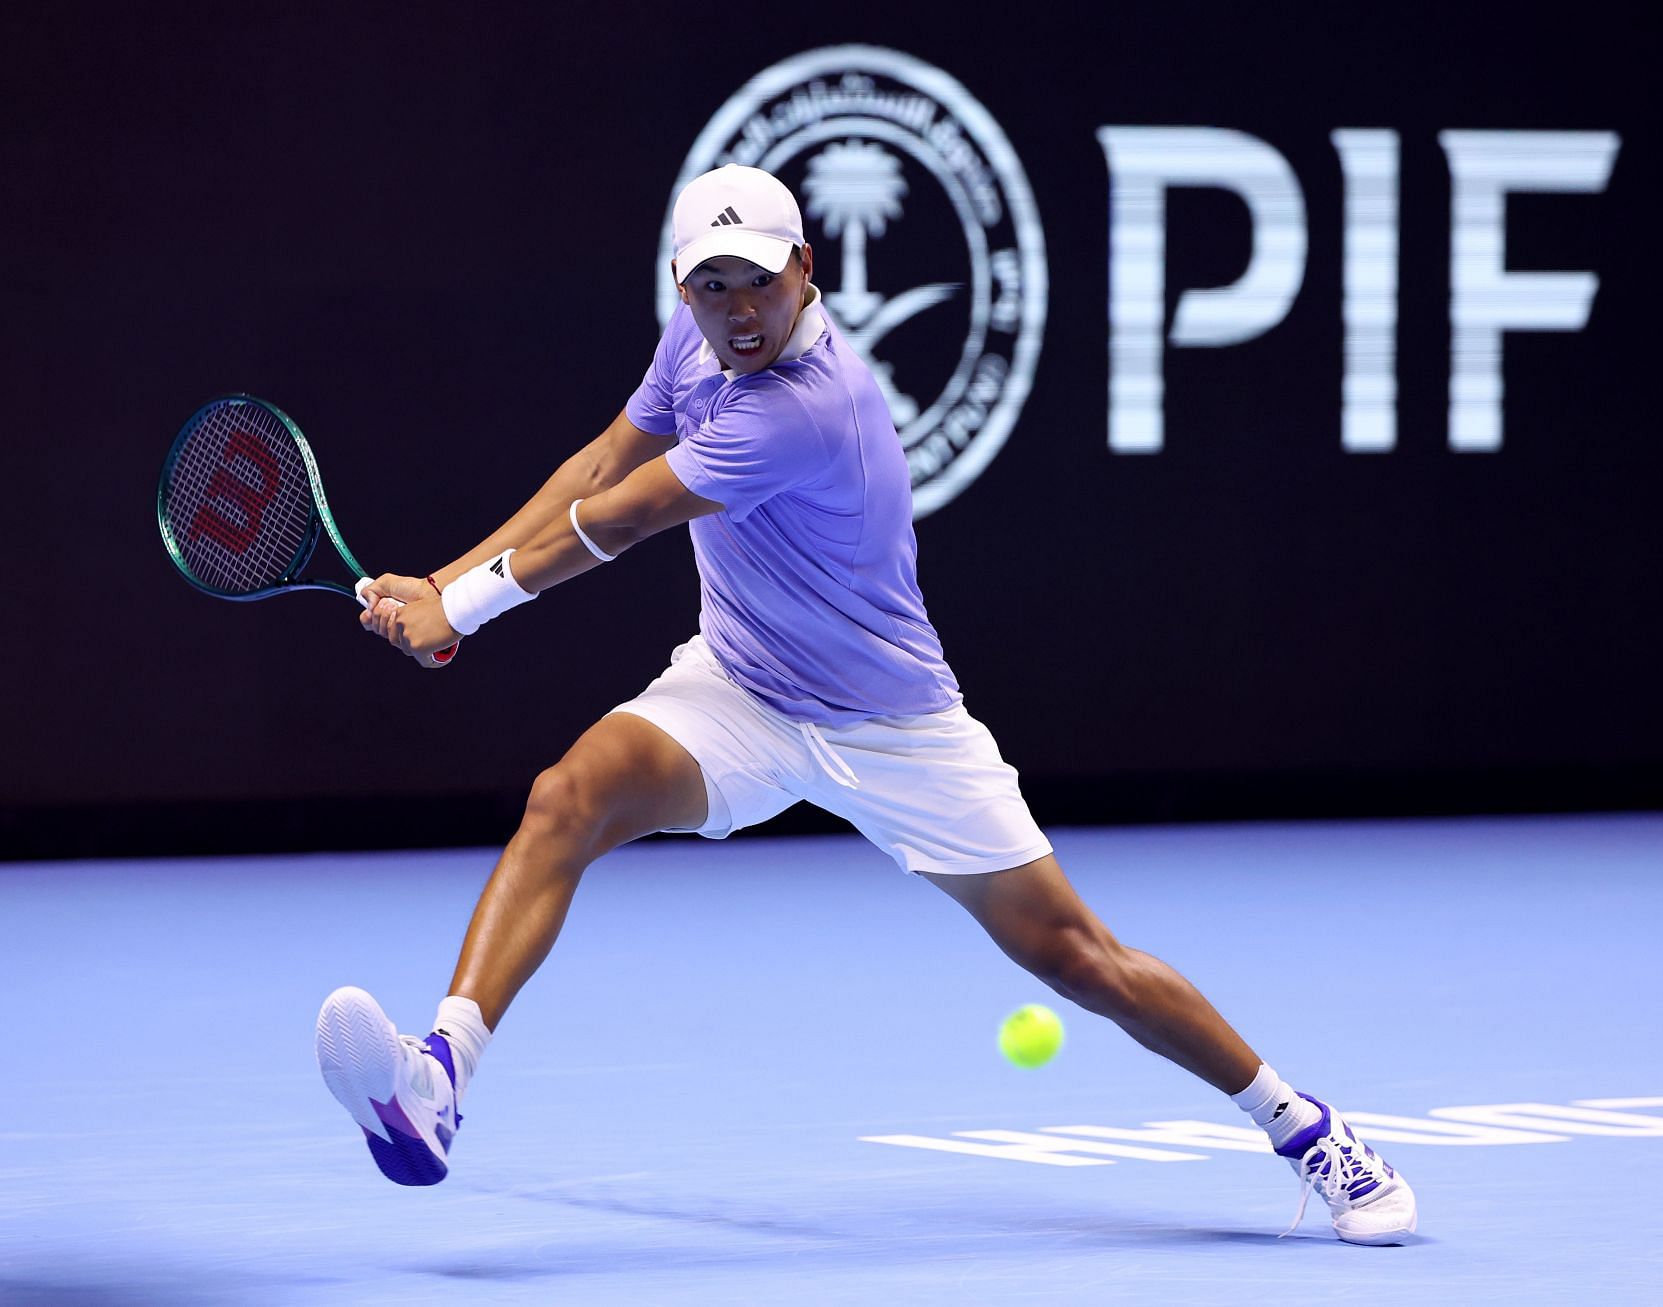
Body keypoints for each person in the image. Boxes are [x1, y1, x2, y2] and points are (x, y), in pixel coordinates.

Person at [315, 164, 1417, 1246]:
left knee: (1079, 955)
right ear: (681, 286)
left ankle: (1306, 1126)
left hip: (893, 725)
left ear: (806, 268)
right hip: (742, 686)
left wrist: (461, 607)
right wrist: (440, 586)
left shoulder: (807, 407)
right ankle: (438, 1078)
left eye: (759, 282)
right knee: (569, 798)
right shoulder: (692, 342)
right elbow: (601, 461)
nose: (739, 311)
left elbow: (618, 520)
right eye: (712, 287)